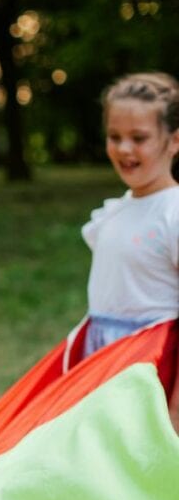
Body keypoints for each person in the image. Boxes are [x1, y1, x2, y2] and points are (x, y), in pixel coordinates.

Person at [81, 72, 179, 430]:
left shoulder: (174, 213)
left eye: (139, 138)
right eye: (114, 137)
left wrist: (176, 409)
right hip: (103, 361)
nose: (124, 149)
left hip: (151, 370)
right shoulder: (115, 212)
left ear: (174, 141)